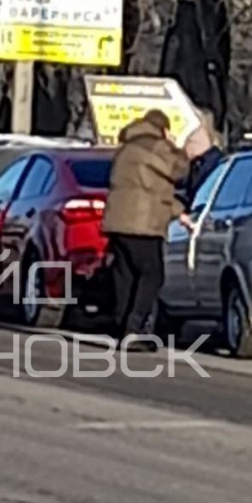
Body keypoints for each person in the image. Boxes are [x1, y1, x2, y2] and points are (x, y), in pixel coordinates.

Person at [103, 110, 191, 347]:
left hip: (117, 221)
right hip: (143, 225)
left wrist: (177, 212)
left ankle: (122, 327)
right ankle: (134, 327)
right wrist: (178, 149)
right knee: (152, 274)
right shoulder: (156, 147)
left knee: (126, 276)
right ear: (162, 128)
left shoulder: (125, 149)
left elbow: (150, 189)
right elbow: (179, 170)